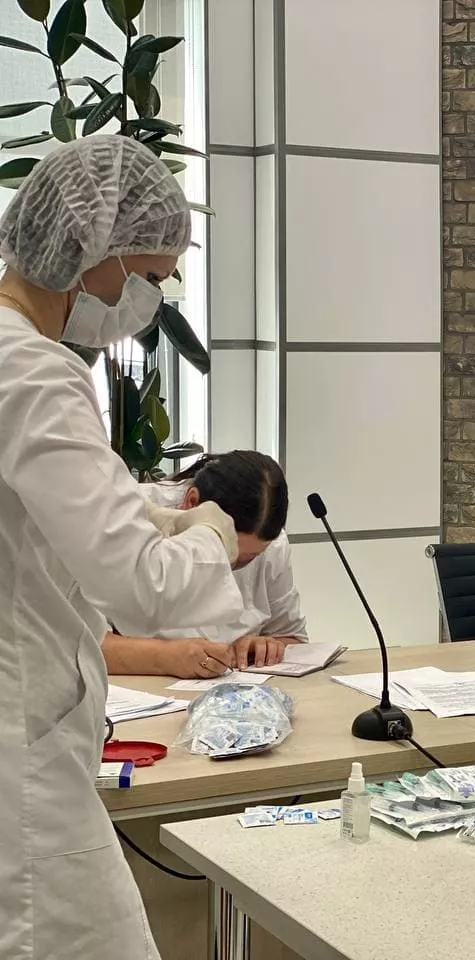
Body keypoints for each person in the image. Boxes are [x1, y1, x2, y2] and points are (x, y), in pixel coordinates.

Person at [0, 136, 246, 959]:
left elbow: (26, 514)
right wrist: (211, 533)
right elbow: (142, 586)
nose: (150, 300)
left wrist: (147, 509)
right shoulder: (35, 372)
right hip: (22, 755)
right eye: (148, 277)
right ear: (91, 250)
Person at [104, 451, 307, 679]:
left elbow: (293, 638)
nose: (228, 567)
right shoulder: (123, 518)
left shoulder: (271, 545)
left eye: (248, 559)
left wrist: (265, 646)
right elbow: (83, 642)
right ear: (191, 503)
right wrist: (165, 656)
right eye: (226, 551)